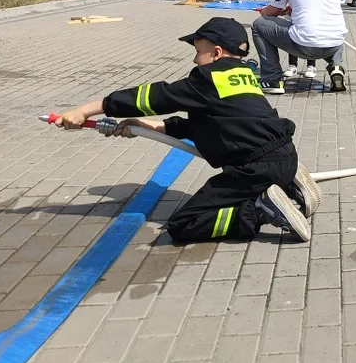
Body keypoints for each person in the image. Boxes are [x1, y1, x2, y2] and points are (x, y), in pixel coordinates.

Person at [51, 17, 314, 242]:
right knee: (242, 184)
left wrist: (88, 109)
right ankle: (288, 184)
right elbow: (212, 126)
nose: (194, 58)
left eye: (198, 51)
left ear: (217, 53)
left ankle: (259, 208)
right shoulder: (243, 76)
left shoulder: (207, 78)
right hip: (284, 155)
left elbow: (153, 96)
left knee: (184, 224)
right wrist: (148, 126)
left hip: (254, 169)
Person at [253, 0, 348, 94]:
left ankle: (272, 80)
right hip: (335, 44)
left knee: (259, 25)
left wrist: (264, 11)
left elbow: (272, 12)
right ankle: (336, 67)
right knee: (331, 28)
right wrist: (292, 9)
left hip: (306, 44)